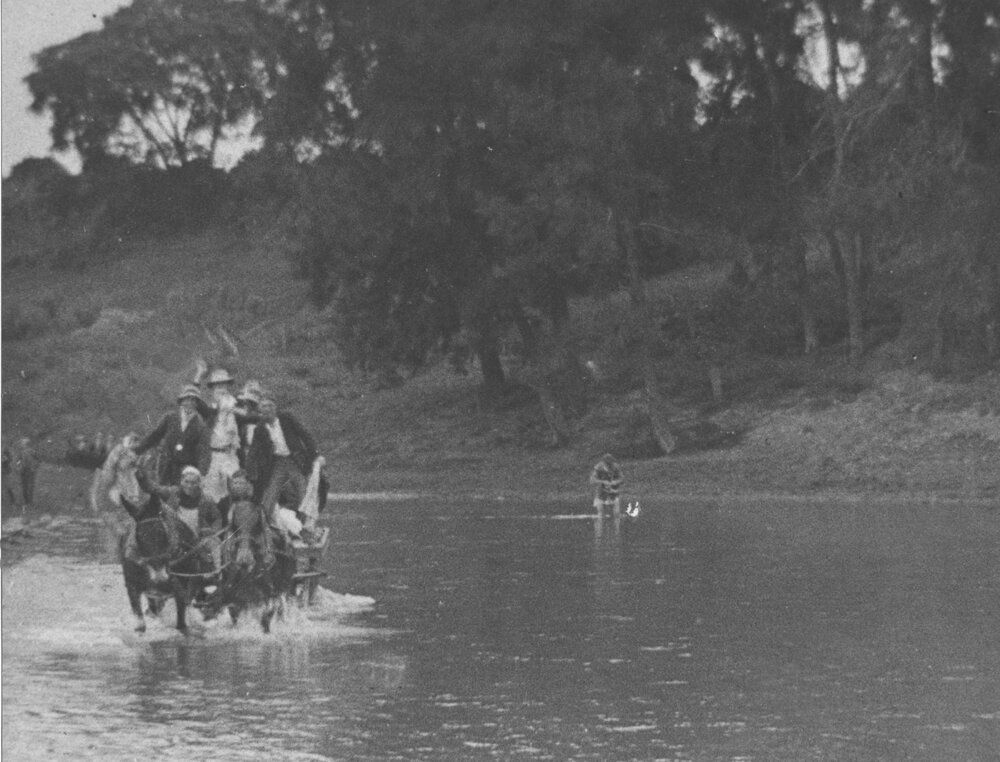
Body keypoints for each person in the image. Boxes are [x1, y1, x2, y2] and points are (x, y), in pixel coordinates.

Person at [138, 465, 224, 574]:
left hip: (199, 538)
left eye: (193, 483)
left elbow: (217, 518)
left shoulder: (207, 500)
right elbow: (153, 488)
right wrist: (142, 478)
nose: (189, 486)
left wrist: (213, 531)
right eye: (186, 482)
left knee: (214, 544)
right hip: (174, 536)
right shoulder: (172, 493)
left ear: (199, 483)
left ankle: (216, 573)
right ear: (181, 481)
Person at [193, 365, 258, 502]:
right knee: (212, 494)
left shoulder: (236, 408)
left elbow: (251, 416)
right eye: (217, 386)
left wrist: (239, 410)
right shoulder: (210, 412)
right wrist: (198, 377)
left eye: (223, 385)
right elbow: (196, 401)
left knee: (236, 489)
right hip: (214, 456)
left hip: (231, 455)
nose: (221, 389)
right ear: (212, 389)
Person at [245, 396, 316, 521]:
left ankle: (307, 527)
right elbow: (253, 452)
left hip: (295, 461)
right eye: (263, 406)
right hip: (277, 463)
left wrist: (315, 456)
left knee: (303, 494)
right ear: (259, 410)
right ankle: (267, 528)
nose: (267, 409)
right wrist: (249, 473)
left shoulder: (286, 419)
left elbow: (305, 435)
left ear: (275, 407)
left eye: (270, 405)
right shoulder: (260, 429)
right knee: (269, 496)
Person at [135, 385, 211, 485]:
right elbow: (154, 436)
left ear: (197, 404)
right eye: (187, 400)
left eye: (193, 400)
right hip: (165, 467)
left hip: (187, 471)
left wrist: (201, 474)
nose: (190, 403)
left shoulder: (200, 426)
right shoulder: (170, 418)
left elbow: (204, 453)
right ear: (181, 401)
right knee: (161, 493)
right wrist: (137, 449)